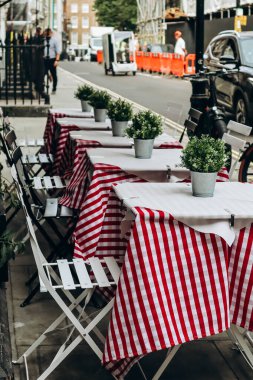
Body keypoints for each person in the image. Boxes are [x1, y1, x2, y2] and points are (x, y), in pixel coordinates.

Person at [44, 28, 61, 94]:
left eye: (49, 32)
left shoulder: (55, 40)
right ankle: (48, 75)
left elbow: (58, 52)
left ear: (51, 33)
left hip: (52, 59)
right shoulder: (43, 40)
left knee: (54, 75)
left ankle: (54, 89)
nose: (47, 34)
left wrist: (57, 60)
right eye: (46, 32)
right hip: (44, 60)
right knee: (43, 73)